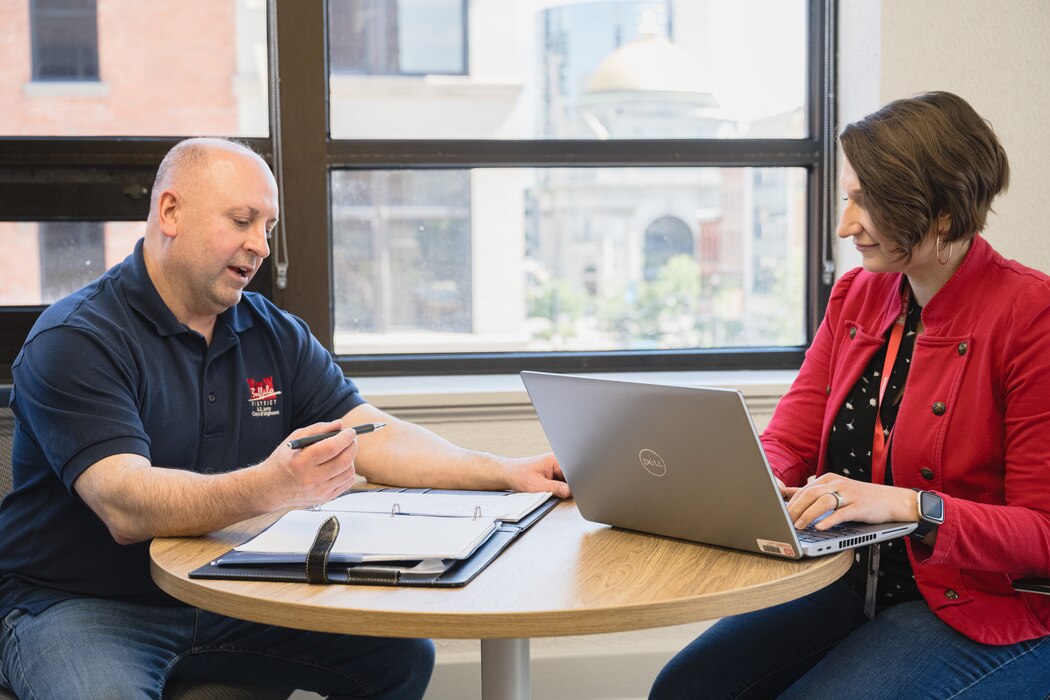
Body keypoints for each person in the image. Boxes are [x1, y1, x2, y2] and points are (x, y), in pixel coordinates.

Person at [0, 137, 570, 699]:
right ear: (170, 211)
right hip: (79, 604)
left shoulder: (271, 330)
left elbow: (371, 434)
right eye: (242, 220)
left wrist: (504, 470)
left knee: (400, 655)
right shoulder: (77, 339)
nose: (260, 245)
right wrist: (272, 487)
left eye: (267, 228)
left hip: (224, 590)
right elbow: (125, 504)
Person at [650, 91, 1050, 698]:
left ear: (941, 212)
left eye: (868, 202)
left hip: (973, 603)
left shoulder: (1031, 315)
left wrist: (911, 506)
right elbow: (790, 438)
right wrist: (753, 479)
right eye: (848, 197)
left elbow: (1041, 533)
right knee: (685, 689)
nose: (845, 225)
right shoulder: (858, 296)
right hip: (845, 578)